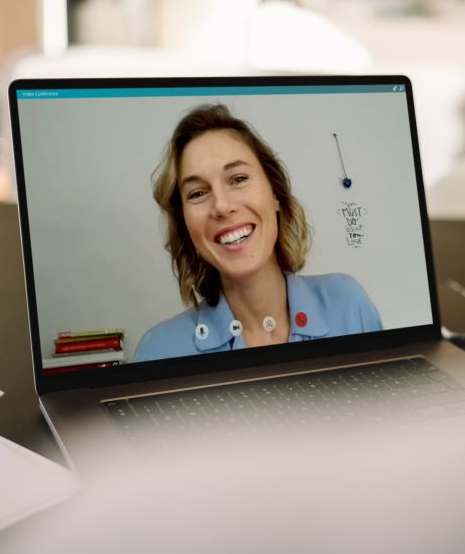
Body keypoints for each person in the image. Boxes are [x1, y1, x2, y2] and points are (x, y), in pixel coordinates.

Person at [134, 104, 382, 362]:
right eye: (197, 193)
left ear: (275, 194)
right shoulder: (158, 352)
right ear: (186, 226)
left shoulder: (349, 304)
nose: (221, 205)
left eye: (238, 178)